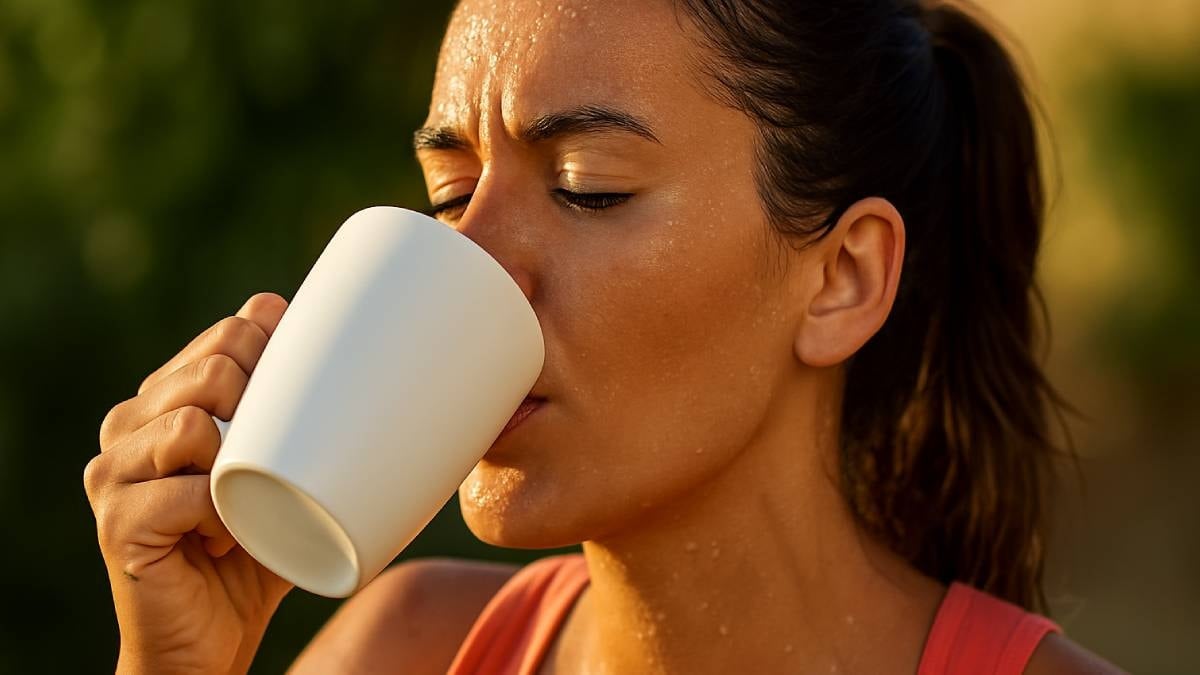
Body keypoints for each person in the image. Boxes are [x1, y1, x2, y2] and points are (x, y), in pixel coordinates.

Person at [84, 0, 1125, 673]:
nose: (476, 257)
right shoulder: (407, 652)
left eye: (589, 190)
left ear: (841, 279)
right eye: (451, 196)